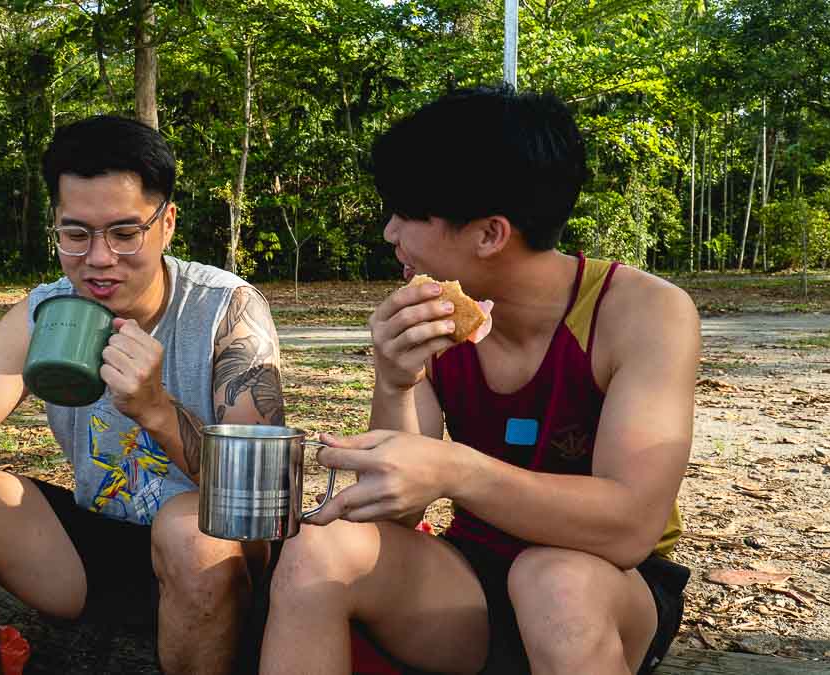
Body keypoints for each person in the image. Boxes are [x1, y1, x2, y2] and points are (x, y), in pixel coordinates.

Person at [259, 85, 697, 675]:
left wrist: (455, 468)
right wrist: (394, 381)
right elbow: (395, 512)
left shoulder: (641, 313)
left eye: (409, 214)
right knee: (320, 546)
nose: (390, 233)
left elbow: (629, 528)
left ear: (490, 234)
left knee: (554, 579)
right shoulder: (437, 318)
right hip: (469, 575)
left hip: (606, 585)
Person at [0, 115, 284, 675]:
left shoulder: (227, 311)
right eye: (76, 234)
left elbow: (259, 500)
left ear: (166, 223)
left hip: (219, 557)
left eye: (124, 233)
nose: (98, 259)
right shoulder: (44, 313)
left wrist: (156, 410)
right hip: (100, 551)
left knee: (185, 528)